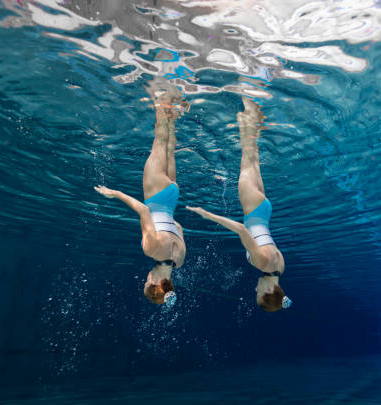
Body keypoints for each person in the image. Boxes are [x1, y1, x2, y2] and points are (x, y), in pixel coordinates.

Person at [187, 97, 291, 312]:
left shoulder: (280, 268)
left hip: (264, 211)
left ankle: (255, 118)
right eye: (259, 293)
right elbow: (242, 230)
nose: (255, 290)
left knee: (253, 159)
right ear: (269, 291)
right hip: (252, 210)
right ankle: (248, 105)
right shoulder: (263, 264)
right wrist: (207, 215)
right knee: (246, 158)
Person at [94, 80, 186, 306]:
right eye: (146, 283)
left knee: (170, 146)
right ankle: (163, 93)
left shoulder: (180, 260)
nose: (145, 278)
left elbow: (179, 227)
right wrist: (114, 193)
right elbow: (144, 211)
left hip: (172, 196)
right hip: (156, 196)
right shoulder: (151, 250)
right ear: (154, 283)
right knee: (159, 141)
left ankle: (176, 109)